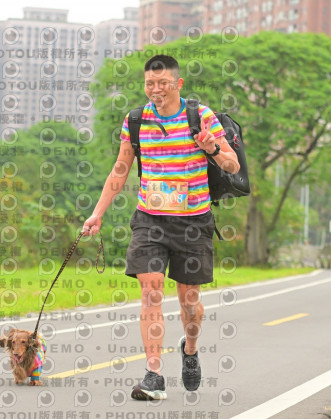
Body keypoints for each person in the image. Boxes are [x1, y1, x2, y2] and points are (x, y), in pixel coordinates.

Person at [82, 55, 240, 400]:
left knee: (190, 303)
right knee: (151, 292)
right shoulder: (135, 120)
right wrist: (97, 213)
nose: (155, 89)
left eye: (162, 83)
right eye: (149, 84)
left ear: (177, 84)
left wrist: (212, 148)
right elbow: (121, 168)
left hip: (193, 222)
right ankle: (153, 374)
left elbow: (232, 164)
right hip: (150, 220)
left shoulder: (201, 116)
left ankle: (190, 347)